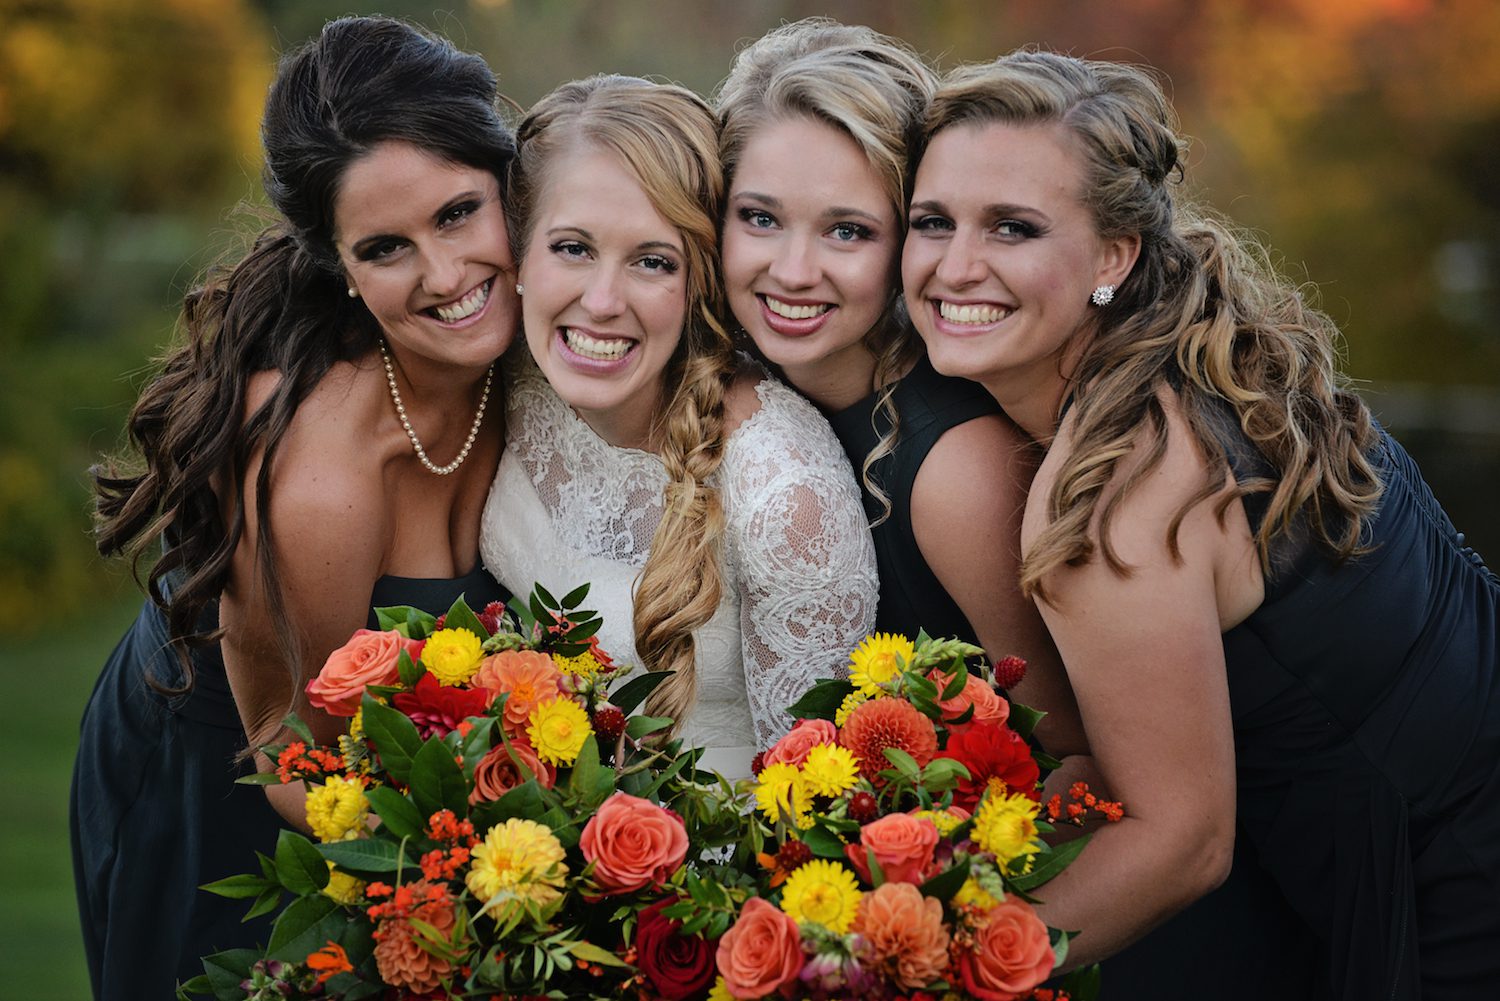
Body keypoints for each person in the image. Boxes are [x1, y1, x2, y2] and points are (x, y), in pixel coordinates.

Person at [904, 49, 1500, 999]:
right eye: (932, 222)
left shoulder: (1116, 487)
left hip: (1460, 901)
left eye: (1013, 227)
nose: (956, 265)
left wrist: (919, 971)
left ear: (1114, 254)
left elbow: (1182, 843)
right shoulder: (1214, 354)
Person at [71, 17, 518, 998]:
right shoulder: (320, 477)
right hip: (227, 765)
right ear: (342, 270)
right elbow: (287, 738)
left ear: (508, 185)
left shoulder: (547, 345)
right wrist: (500, 857)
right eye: (388, 247)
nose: (446, 277)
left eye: (458, 214)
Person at [479, 75, 878, 776]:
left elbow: (817, 804)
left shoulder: (783, 488)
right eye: (572, 247)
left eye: (653, 262)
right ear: (518, 256)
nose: (601, 302)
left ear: (700, 279)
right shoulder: (508, 377)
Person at [715, 19, 1084, 756]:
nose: (793, 270)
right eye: (760, 217)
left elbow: (1073, 750)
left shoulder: (957, 468)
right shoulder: (729, 382)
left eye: (847, 231)